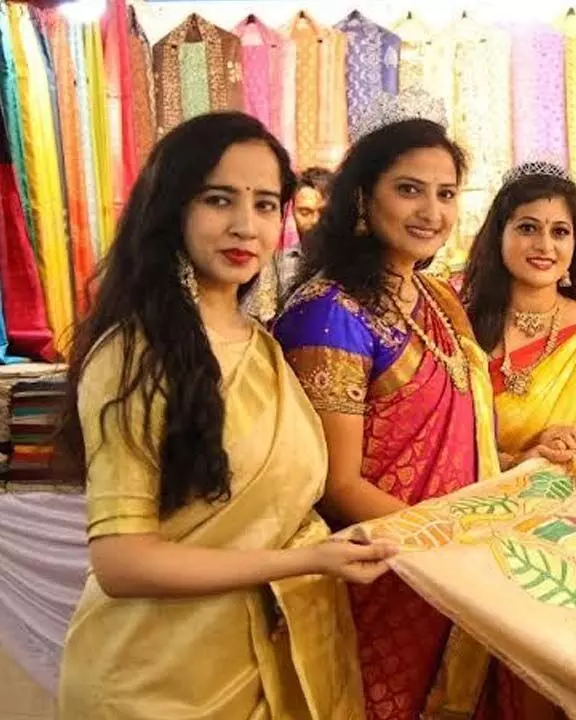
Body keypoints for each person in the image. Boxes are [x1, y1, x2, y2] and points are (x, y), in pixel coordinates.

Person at [56, 112, 396, 719]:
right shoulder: (135, 355)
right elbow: (121, 562)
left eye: (266, 205)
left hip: (267, 660)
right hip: (159, 683)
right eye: (219, 199)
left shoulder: (261, 343)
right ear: (172, 209)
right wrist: (306, 561)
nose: (246, 225)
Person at [273, 91, 500, 720]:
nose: (432, 211)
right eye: (410, 190)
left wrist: (527, 454)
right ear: (362, 199)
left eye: (447, 193)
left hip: (448, 561)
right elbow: (338, 485)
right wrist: (445, 549)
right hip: (380, 572)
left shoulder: (437, 299)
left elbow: (468, 436)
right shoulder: (331, 312)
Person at [464, 161, 576, 472]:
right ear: (499, 235)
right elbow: (437, 444)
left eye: (560, 232)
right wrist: (517, 462)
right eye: (527, 228)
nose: (544, 246)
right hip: (463, 502)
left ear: (575, 244)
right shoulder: (457, 322)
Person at [278, 166, 334, 293]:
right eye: (305, 212)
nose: (315, 220)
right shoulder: (277, 264)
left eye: (323, 212)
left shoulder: (350, 263)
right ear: (292, 212)